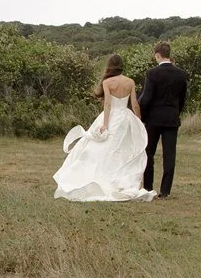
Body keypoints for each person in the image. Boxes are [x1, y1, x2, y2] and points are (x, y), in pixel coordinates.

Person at [52, 54, 154, 202]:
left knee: (103, 149)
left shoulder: (107, 82)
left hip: (112, 116)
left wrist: (105, 124)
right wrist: (137, 120)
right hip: (125, 117)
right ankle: (120, 178)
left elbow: (107, 104)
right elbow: (135, 104)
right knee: (124, 148)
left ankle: (103, 176)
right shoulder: (130, 82)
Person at [137, 41, 188, 199]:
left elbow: (146, 98)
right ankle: (165, 191)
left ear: (157, 55)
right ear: (169, 54)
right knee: (169, 154)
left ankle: (148, 187)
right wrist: (175, 112)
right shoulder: (181, 74)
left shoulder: (152, 73)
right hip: (171, 118)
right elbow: (183, 98)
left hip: (153, 119)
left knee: (148, 153)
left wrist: (142, 115)